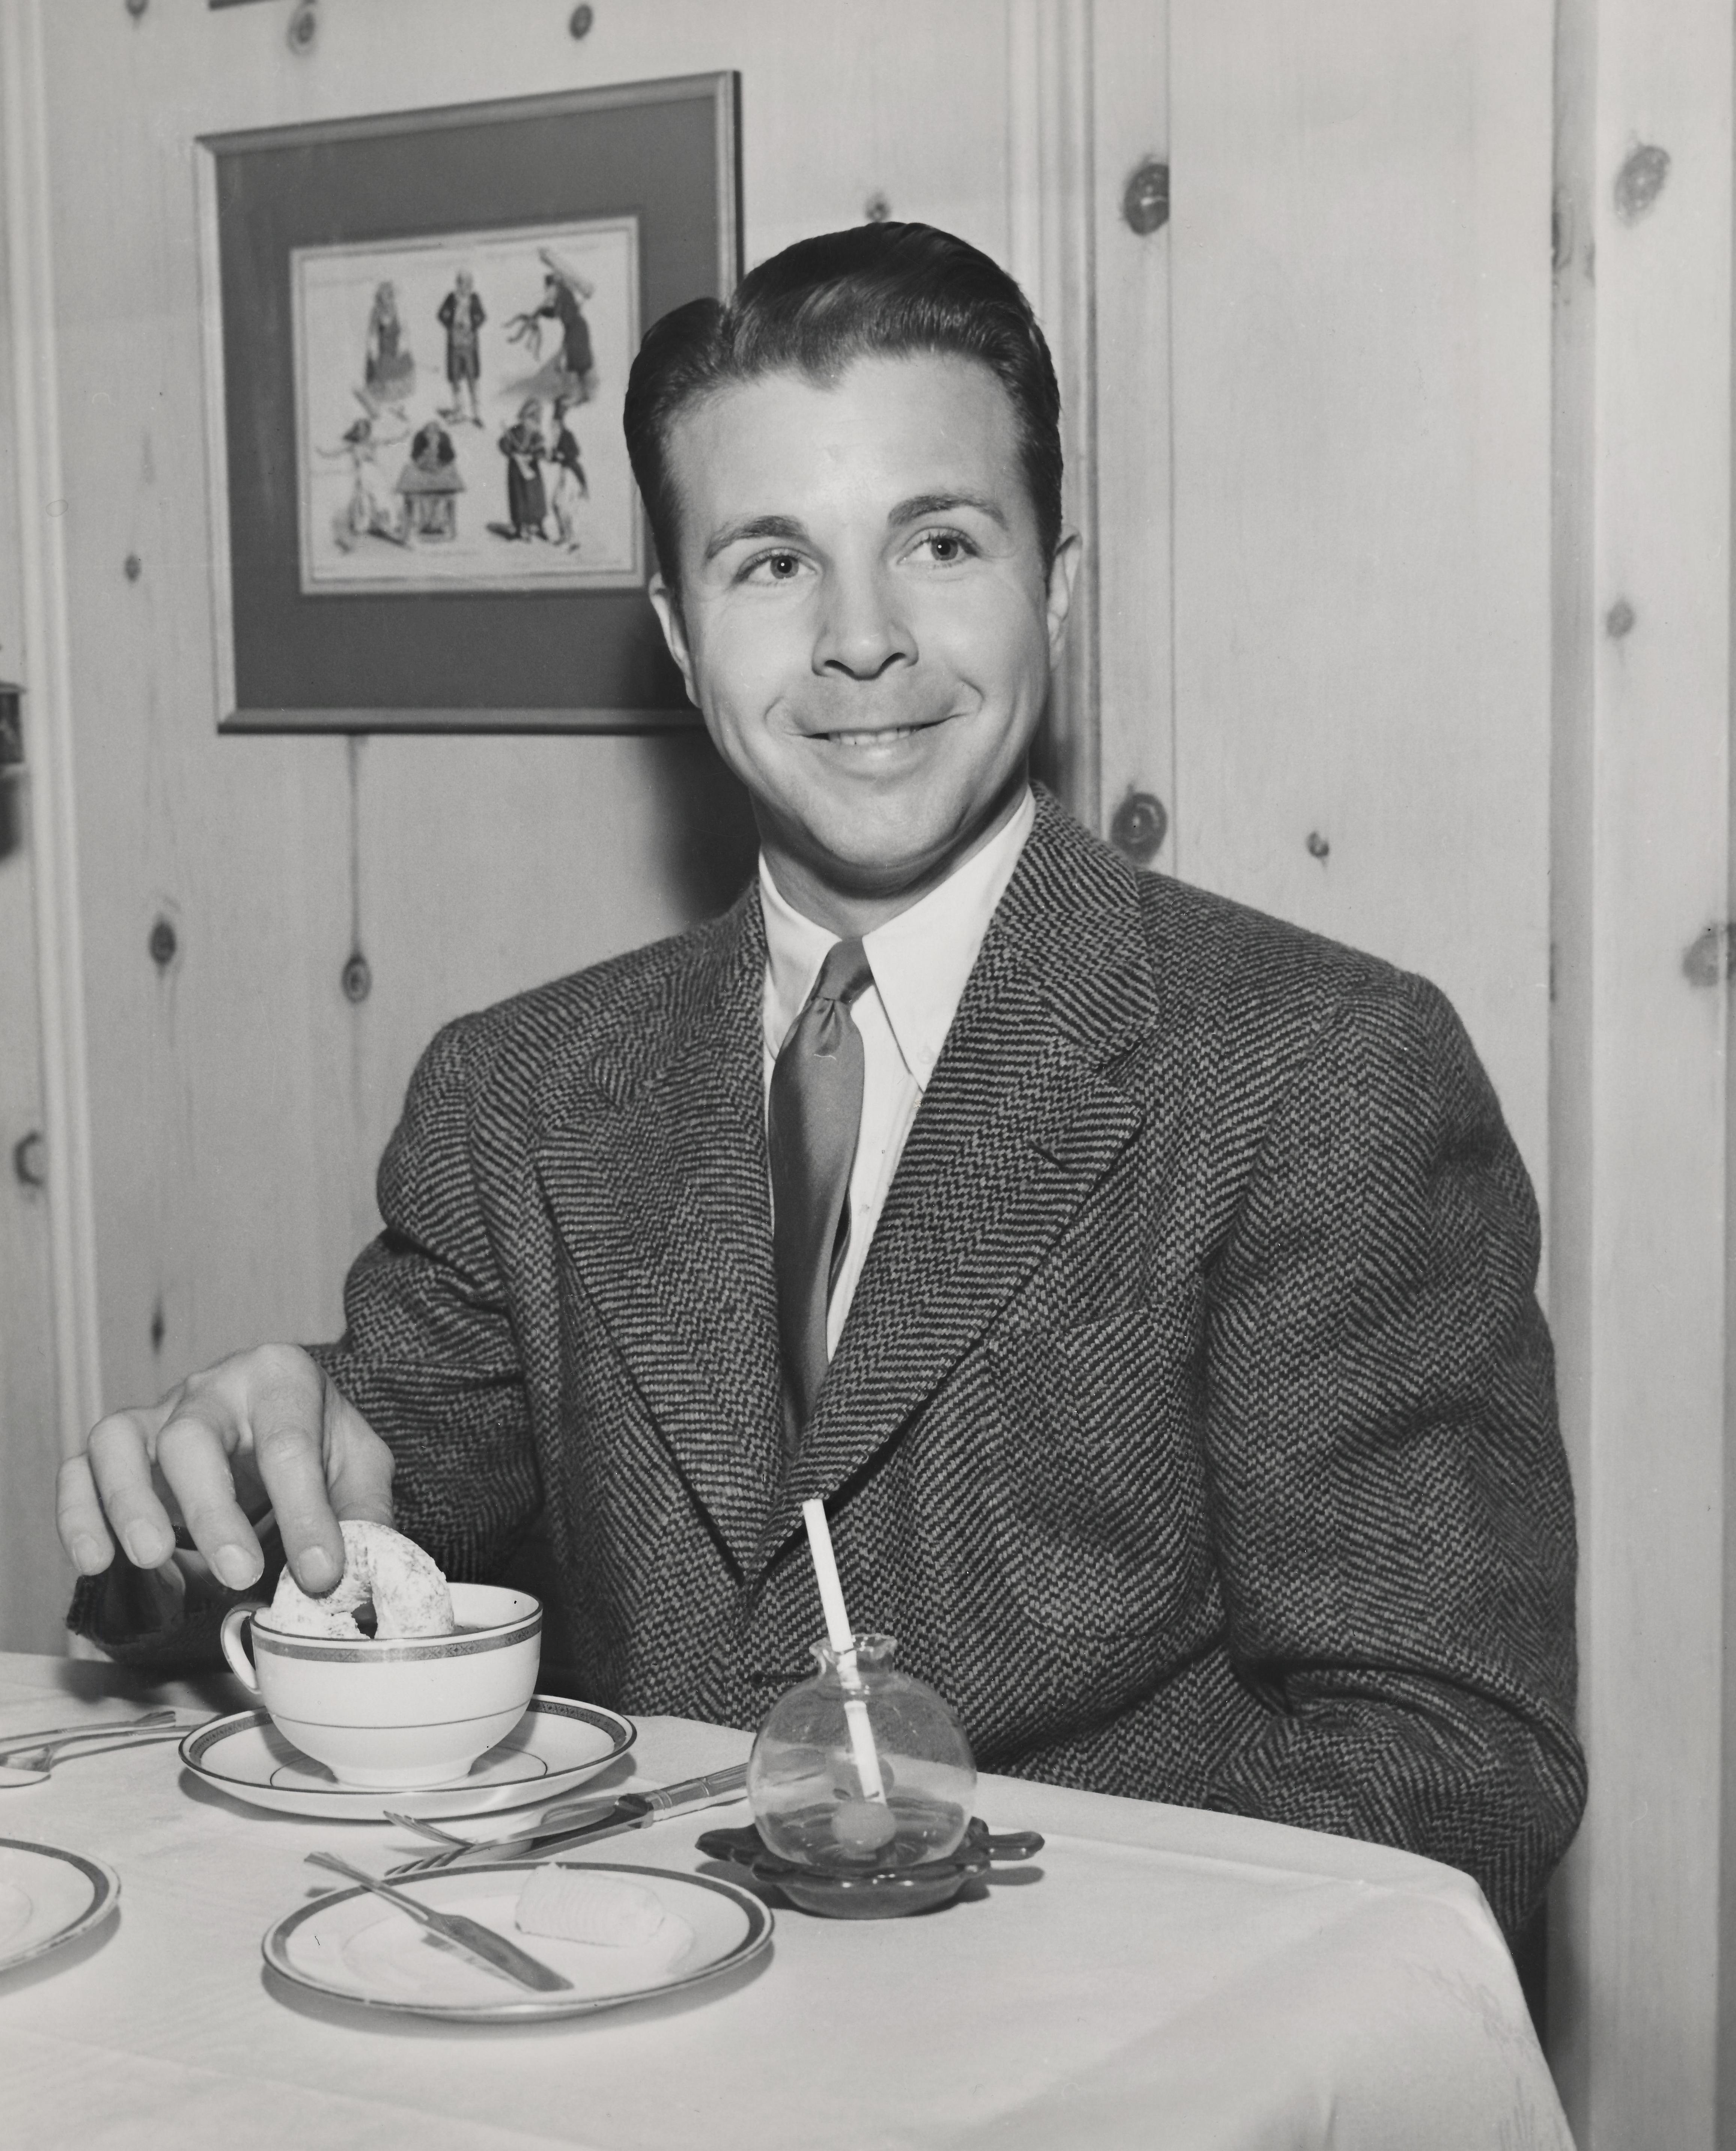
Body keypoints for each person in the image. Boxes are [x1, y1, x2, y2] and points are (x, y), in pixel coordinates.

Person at [57, 222, 1584, 1939]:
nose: (862, 640)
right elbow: (378, 1512)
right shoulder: (520, 1096)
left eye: (938, 541)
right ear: (677, 629)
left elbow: (1449, 1758)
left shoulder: (1318, 1074)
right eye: (771, 562)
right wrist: (235, 1506)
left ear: (1053, 584)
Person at [437, 269, 486, 426]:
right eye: (462, 284)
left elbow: (482, 316)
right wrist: (450, 326)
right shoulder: (452, 298)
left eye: (467, 284)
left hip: (470, 345)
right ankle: (459, 410)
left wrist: (473, 326)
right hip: (455, 343)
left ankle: (476, 413)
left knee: (473, 379)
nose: (464, 287)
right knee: (456, 379)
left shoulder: (474, 298)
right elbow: (440, 315)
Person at [496, 398, 549, 540]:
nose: (531, 421)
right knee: (519, 499)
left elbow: (542, 450)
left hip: (532, 470)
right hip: (516, 471)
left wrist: (533, 457)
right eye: (529, 417)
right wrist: (512, 453)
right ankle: (520, 528)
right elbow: (503, 444)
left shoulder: (536, 433)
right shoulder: (514, 430)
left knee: (536, 499)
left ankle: (538, 526)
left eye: (534, 417)